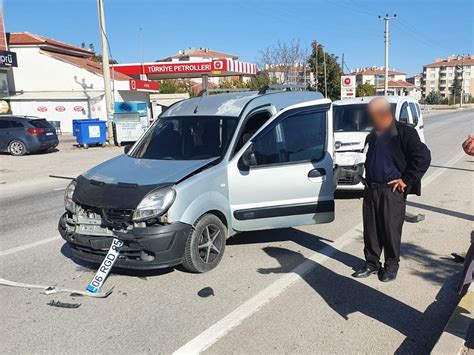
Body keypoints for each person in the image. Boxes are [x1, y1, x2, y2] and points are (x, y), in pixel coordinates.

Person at [352, 97, 431, 282]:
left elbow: (423, 157)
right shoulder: (373, 134)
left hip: (391, 191)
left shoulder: (404, 132)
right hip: (371, 189)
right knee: (371, 230)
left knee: (390, 230)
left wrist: (406, 180)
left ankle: (391, 266)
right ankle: (371, 263)